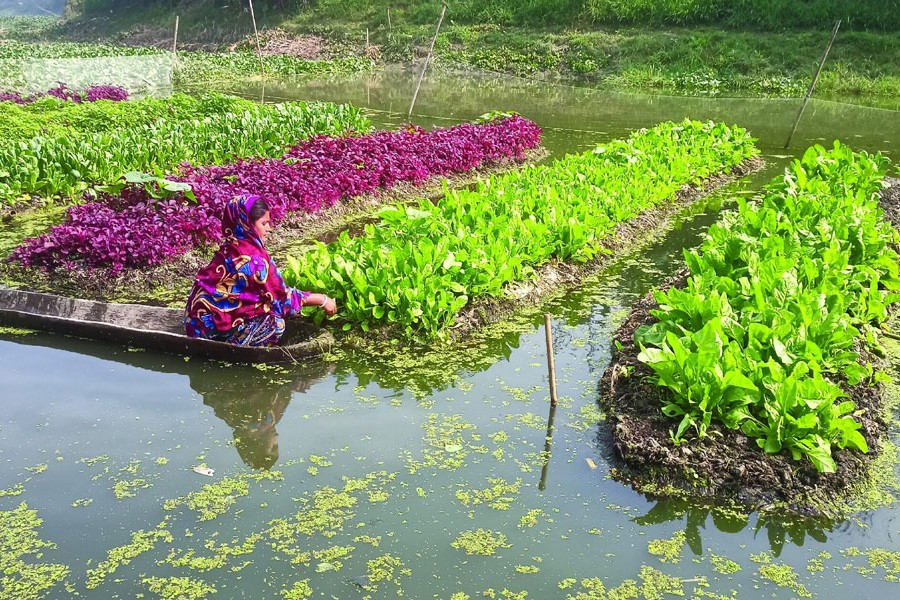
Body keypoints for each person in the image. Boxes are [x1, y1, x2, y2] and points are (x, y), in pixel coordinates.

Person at [184, 194, 337, 346]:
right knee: (276, 324)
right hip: (212, 330)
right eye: (264, 224)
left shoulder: (229, 248)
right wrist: (322, 300)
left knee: (267, 306)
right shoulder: (253, 259)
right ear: (248, 224)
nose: (269, 229)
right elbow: (282, 298)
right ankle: (234, 345)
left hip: (194, 323)